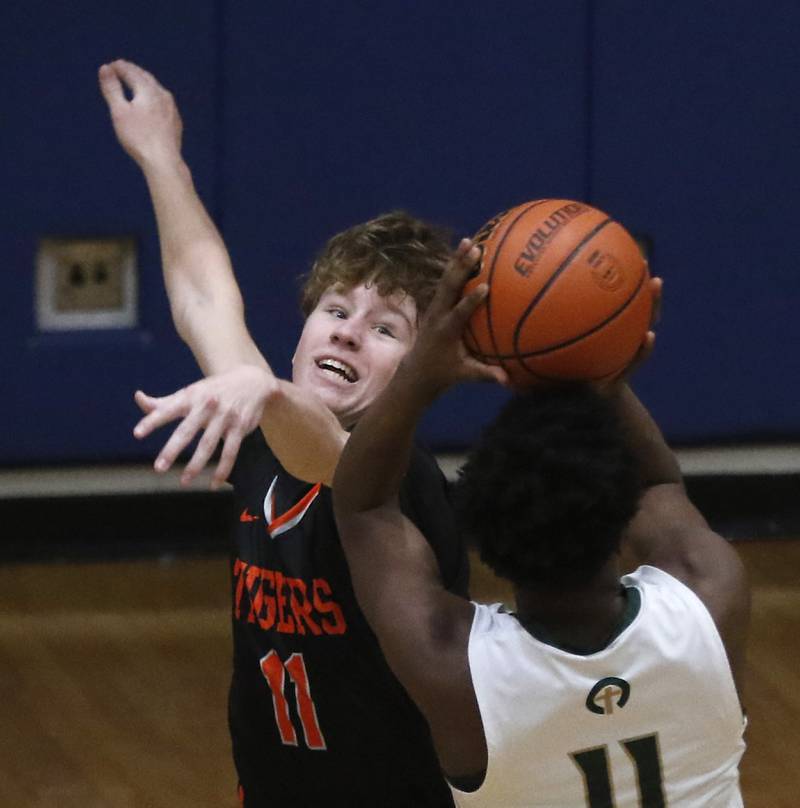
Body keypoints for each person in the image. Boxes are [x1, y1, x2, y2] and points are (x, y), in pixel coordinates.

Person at [98, 59, 468, 806]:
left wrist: (263, 388)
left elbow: (332, 460)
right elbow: (204, 292)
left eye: (387, 328)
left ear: (422, 367)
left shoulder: (400, 479)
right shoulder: (266, 422)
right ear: (303, 328)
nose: (351, 333)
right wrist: (161, 155)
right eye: (335, 311)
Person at [332, 242, 749, 807]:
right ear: (621, 513)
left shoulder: (456, 667)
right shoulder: (709, 594)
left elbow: (363, 507)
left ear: (483, 535)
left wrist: (419, 375)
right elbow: (658, 484)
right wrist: (593, 356)